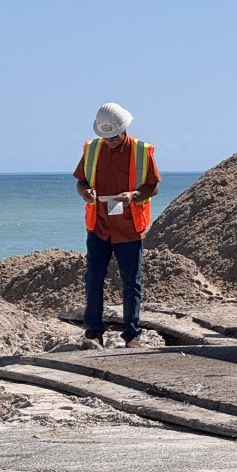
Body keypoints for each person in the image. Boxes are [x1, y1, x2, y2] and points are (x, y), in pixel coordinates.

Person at [73, 102, 161, 349]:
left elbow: (153, 185)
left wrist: (134, 195)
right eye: (105, 136)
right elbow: (80, 181)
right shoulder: (92, 149)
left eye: (113, 136)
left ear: (123, 129)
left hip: (129, 226)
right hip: (99, 225)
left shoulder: (142, 151)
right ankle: (93, 334)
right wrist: (85, 192)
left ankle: (132, 336)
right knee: (93, 279)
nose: (109, 140)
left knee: (131, 282)